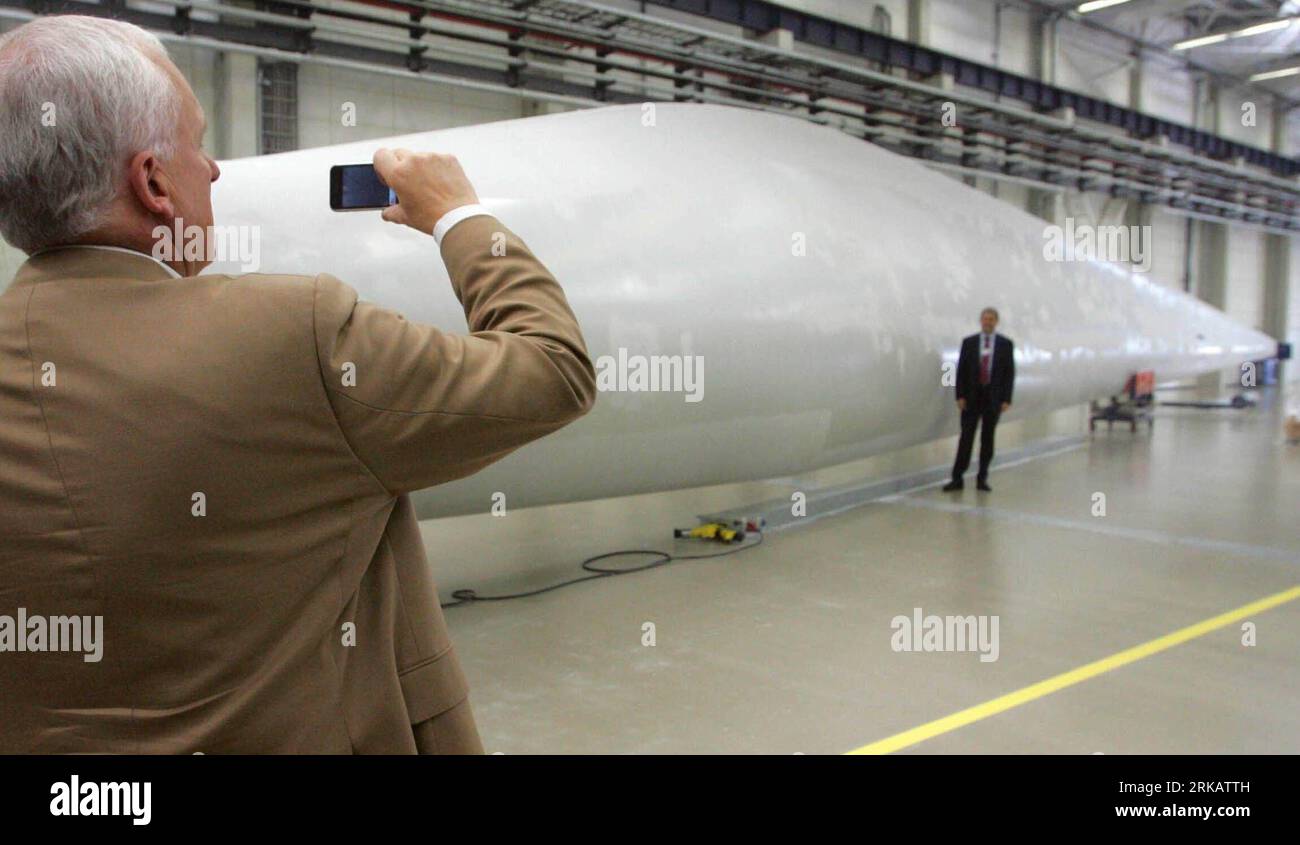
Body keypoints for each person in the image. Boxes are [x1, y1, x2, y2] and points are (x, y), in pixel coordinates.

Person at [0, 15, 596, 753]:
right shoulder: (291, 336)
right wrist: (459, 216)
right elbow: (552, 368)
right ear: (153, 181)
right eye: (198, 142)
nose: (214, 168)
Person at [943, 307, 1014, 493]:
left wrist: (1006, 398)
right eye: (984, 319)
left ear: (996, 322)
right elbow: (961, 371)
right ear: (980, 321)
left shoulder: (1005, 344)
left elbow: (1009, 373)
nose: (987, 322)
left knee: (987, 440)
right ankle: (957, 477)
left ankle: (982, 478)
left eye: (991, 319)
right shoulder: (969, 342)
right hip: (972, 398)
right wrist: (959, 395)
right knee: (966, 438)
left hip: (993, 399)